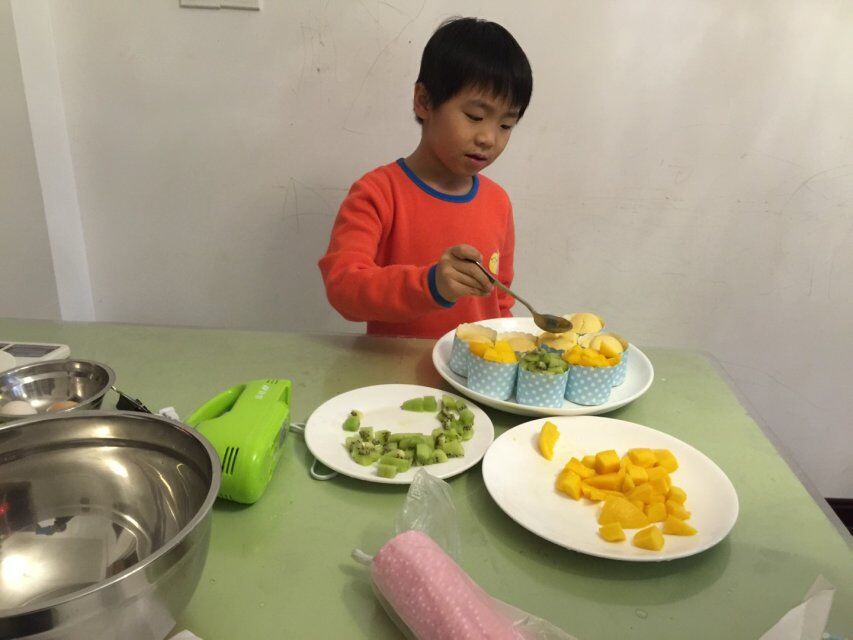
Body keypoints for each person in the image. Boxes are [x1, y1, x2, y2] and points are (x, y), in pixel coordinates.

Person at [318, 17, 532, 338]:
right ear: (424, 101)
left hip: (474, 368)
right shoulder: (378, 192)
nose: (489, 138)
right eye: (475, 116)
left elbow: (499, 301)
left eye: (506, 125)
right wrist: (431, 285)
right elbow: (343, 287)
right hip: (394, 368)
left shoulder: (497, 201)